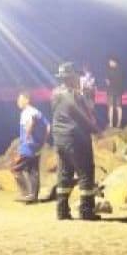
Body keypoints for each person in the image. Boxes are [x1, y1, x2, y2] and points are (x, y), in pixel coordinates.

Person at [50, 62, 100, 221]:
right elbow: (85, 116)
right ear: (72, 78)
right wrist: (97, 131)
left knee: (64, 172)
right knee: (86, 172)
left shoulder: (55, 93)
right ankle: (86, 210)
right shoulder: (75, 96)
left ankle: (62, 210)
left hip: (59, 138)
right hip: (76, 138)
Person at [13, 91, 49, 203]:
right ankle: (33, 196)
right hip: (36, 146)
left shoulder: (27, 112)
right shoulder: (37, 111)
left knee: (15, 169)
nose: (18, 102)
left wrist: (27, 136)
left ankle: (26, 194)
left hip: (27, 146)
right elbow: (48, 127)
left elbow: (31, 122)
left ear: (27, 99)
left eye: (20, 99)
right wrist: (43, 141)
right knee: (33, 171)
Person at [105, 56, 124, 129]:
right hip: (119, 91)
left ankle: (111, 124)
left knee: (111, 107)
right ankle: (119, 124)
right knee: (119, 107)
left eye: (110, 61)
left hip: (111, 91)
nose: (109, 63)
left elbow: (107, 82)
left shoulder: (108, 70)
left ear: (114, 62)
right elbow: (122, 80)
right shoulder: (121, 70)